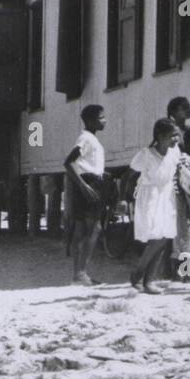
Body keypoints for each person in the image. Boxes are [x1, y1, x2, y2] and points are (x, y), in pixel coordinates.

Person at [123, 118, 182, 294]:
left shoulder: (174, 152)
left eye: (177, 135)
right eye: (172, 136)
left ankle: (148, 280)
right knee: (156, 238)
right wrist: (123, 199)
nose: (176, 139)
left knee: (164, 238)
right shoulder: (146, 154)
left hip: (166, 195)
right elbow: (128, 176)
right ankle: (138, 274)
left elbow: (174, 173)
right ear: (160, 136)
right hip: (149, 196)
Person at [63, 105, 109, 286]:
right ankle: (81, 272)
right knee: (95, 228)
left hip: (90, 182)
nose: (104, 120)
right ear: (90, 120)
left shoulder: (90, 139)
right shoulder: (86, 139)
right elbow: (68, 162)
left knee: (81, 231)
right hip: (89, 183)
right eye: (101, 117)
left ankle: (79, 274)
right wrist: (83, 186)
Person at [172, 126, 190, 283]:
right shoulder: (187, 160)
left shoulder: (181, 157)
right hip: (184, 201)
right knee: (188, 237)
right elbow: (186, 185)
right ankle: (186, 273)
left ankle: (178, 273)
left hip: (178, 200)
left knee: (179, 237)